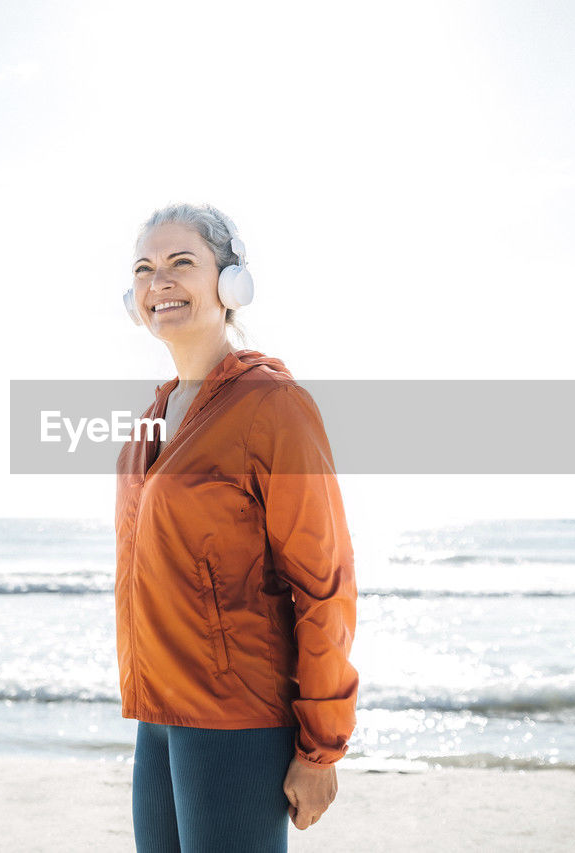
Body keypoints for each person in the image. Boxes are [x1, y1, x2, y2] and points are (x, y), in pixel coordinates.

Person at [114, 202, 359, 852]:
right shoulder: (153, 416)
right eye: (144, 268)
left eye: (180, 263)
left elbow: (324, 581)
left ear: (230, 283)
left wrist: (321, 746)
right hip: (159, 717)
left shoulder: (273, 407)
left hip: (233, 719)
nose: (158, 281)